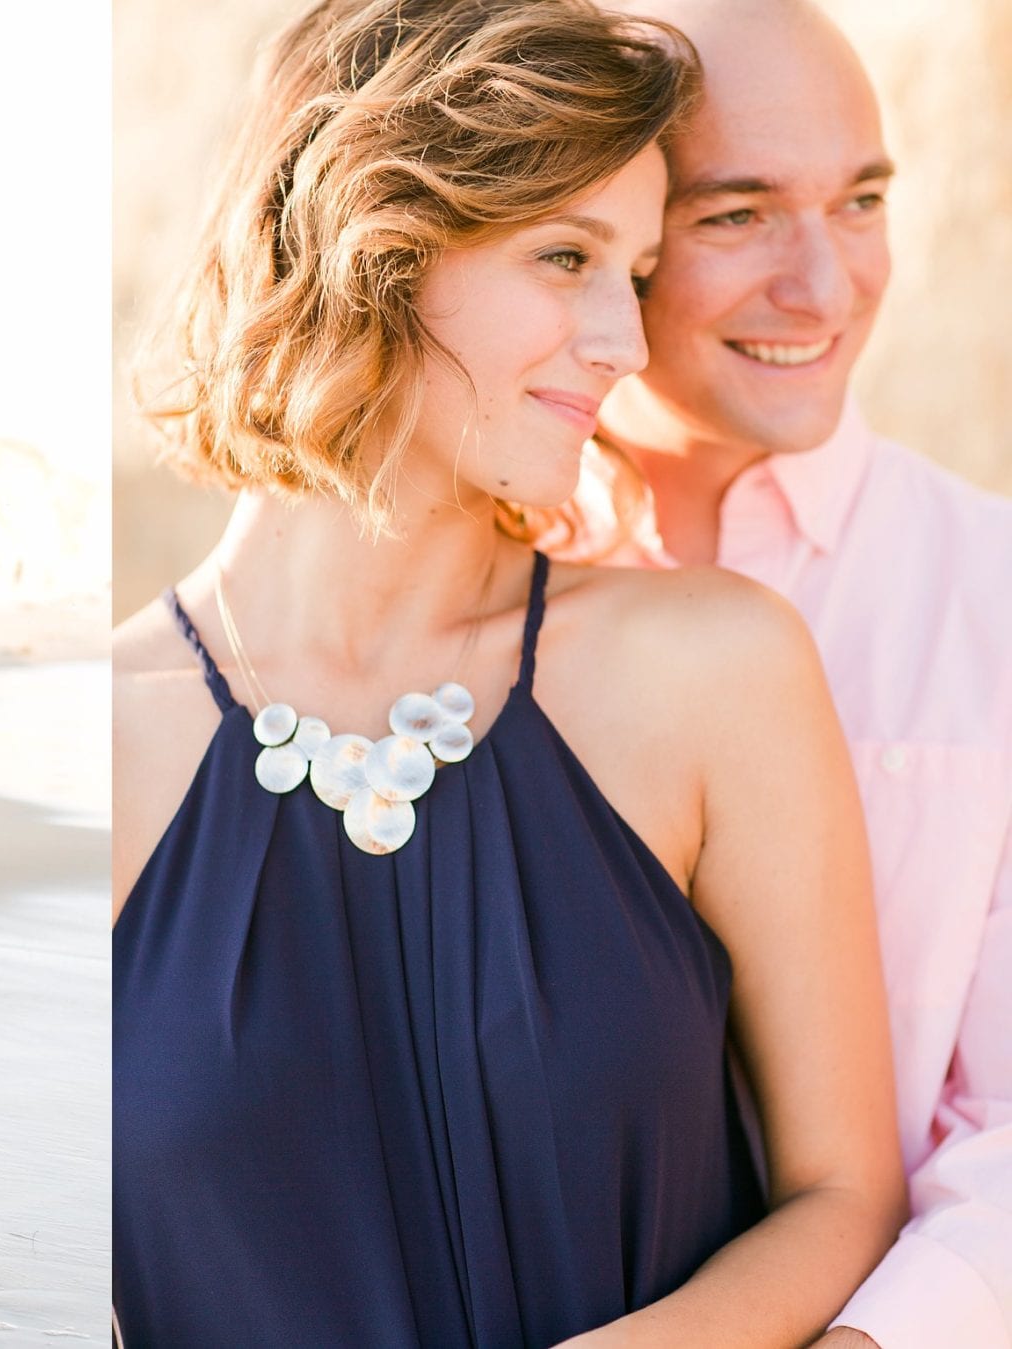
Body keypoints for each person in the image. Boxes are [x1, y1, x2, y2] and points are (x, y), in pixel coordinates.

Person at [111, 2, 905, 1345]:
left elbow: (843, 1192)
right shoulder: (108, 742)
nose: (625, 341)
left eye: (638, 272)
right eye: (567, 256)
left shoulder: (715, 672)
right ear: (373, 242)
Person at [588, 3, 1012, 1344]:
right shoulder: (468, 592)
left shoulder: (993, 597)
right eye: (739, 214)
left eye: (863, 200)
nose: (826, 288)